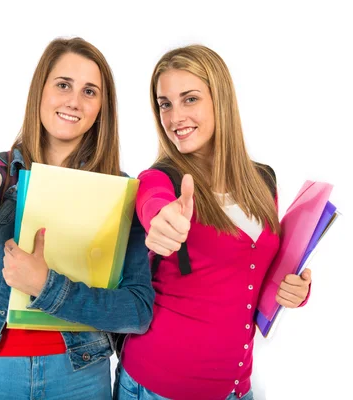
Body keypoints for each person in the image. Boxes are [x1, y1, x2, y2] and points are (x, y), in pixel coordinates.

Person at [0, 37, 154, 400]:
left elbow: (137, 310)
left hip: (78, 372)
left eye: (90, 91)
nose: (73, 101)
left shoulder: (120, 194)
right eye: (63, 84)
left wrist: (47, 287)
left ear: (102, 108)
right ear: (41, 91)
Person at [114, 45, 312, 400]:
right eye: (165, 104)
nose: (175, 117)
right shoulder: (161, 179)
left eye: (189, 99)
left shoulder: (263, 181)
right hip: (161, 387)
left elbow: (255, 275)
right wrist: (160, 220)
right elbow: (152, 202)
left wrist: (295, 289)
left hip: (238, 389)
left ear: (220, 99)